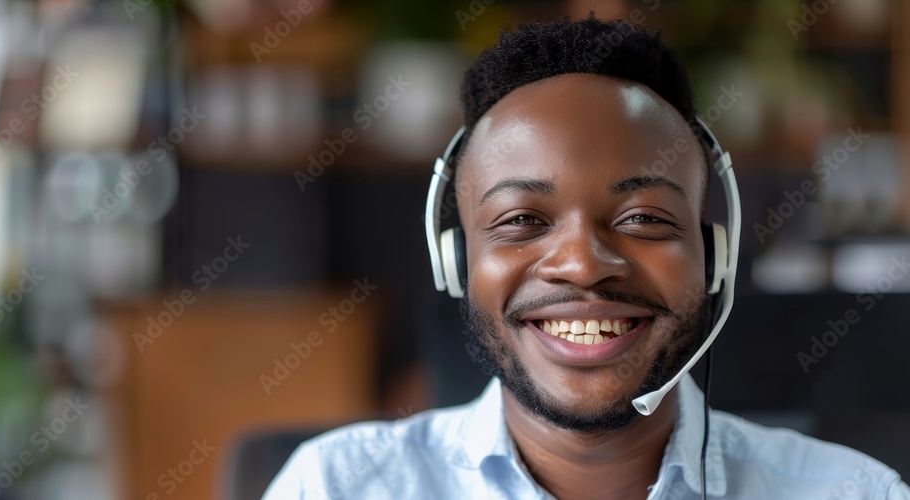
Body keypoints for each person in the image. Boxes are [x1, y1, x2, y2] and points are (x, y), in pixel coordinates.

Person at [263, 16, 910, 499]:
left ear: (714, 257)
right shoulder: (335, 487)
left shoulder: (854, 494)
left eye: (643, 218)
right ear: (455, 261)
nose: (581, 263)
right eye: (522, 220)